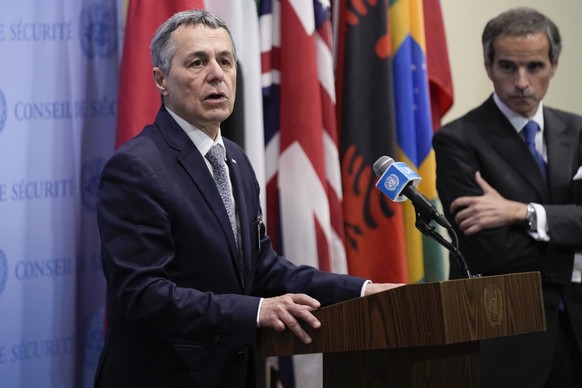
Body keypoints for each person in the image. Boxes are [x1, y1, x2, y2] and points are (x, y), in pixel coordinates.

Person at [93, 9, 401, 388]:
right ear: (161, 79)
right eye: (197, 62)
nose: (216, 74)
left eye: (225, 61)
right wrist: (255, 310)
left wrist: (363, 291)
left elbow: (263, 270)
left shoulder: (235, 160)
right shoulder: (136, 168)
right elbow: (143, 295)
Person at [433, 7, 582, 388]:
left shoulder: (578, 131)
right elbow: (491, 252)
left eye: (534, 67)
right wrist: (574, 246)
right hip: (509, 338)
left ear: (554, 64)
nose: (521, 82)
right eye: (507, 68)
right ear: (487, 65)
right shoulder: (458, 140)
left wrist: (521, 213)